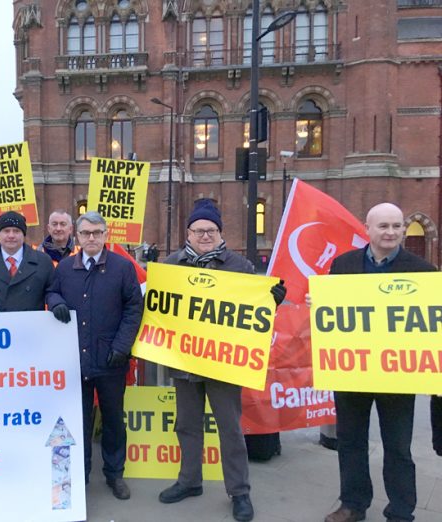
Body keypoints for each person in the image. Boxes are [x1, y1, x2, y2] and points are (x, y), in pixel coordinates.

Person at [157, 199, 285, 522]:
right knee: (186, 425)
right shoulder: (171, 264)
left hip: (223, 364)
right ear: (188, 232)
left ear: (219, 232)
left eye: (210, 230)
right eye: (199, 230)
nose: (204, 236)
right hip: (184, 360)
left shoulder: (239, 265)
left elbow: (254, 309)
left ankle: (239, 492)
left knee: (230, 428)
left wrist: (273, 301)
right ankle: (189, 481)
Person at [321, 203, 435, 522]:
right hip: (351, 370)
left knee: (398, 447)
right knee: (351, 441)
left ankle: (400, 510)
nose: (391, 232)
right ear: (367, 229)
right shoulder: (342, 265)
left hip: (398, 374)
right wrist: (320, 303)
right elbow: (332, 315)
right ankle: (353, 504)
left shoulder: (423, 271)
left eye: (397, 226)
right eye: (383, 226)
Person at [47, 211, 143, 500]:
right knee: (79, 421)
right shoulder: (65, 268)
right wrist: (56, 301)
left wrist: (122, 346)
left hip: (111, 358)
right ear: (77, 236)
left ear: (105, 235)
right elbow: (51, 291)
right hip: (75, 358)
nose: (91, 238)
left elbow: (133, 309)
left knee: (113, 419)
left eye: (97, 233)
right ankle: (81, 475)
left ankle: (115, 474)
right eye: (86, 233)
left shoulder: (121, 268)